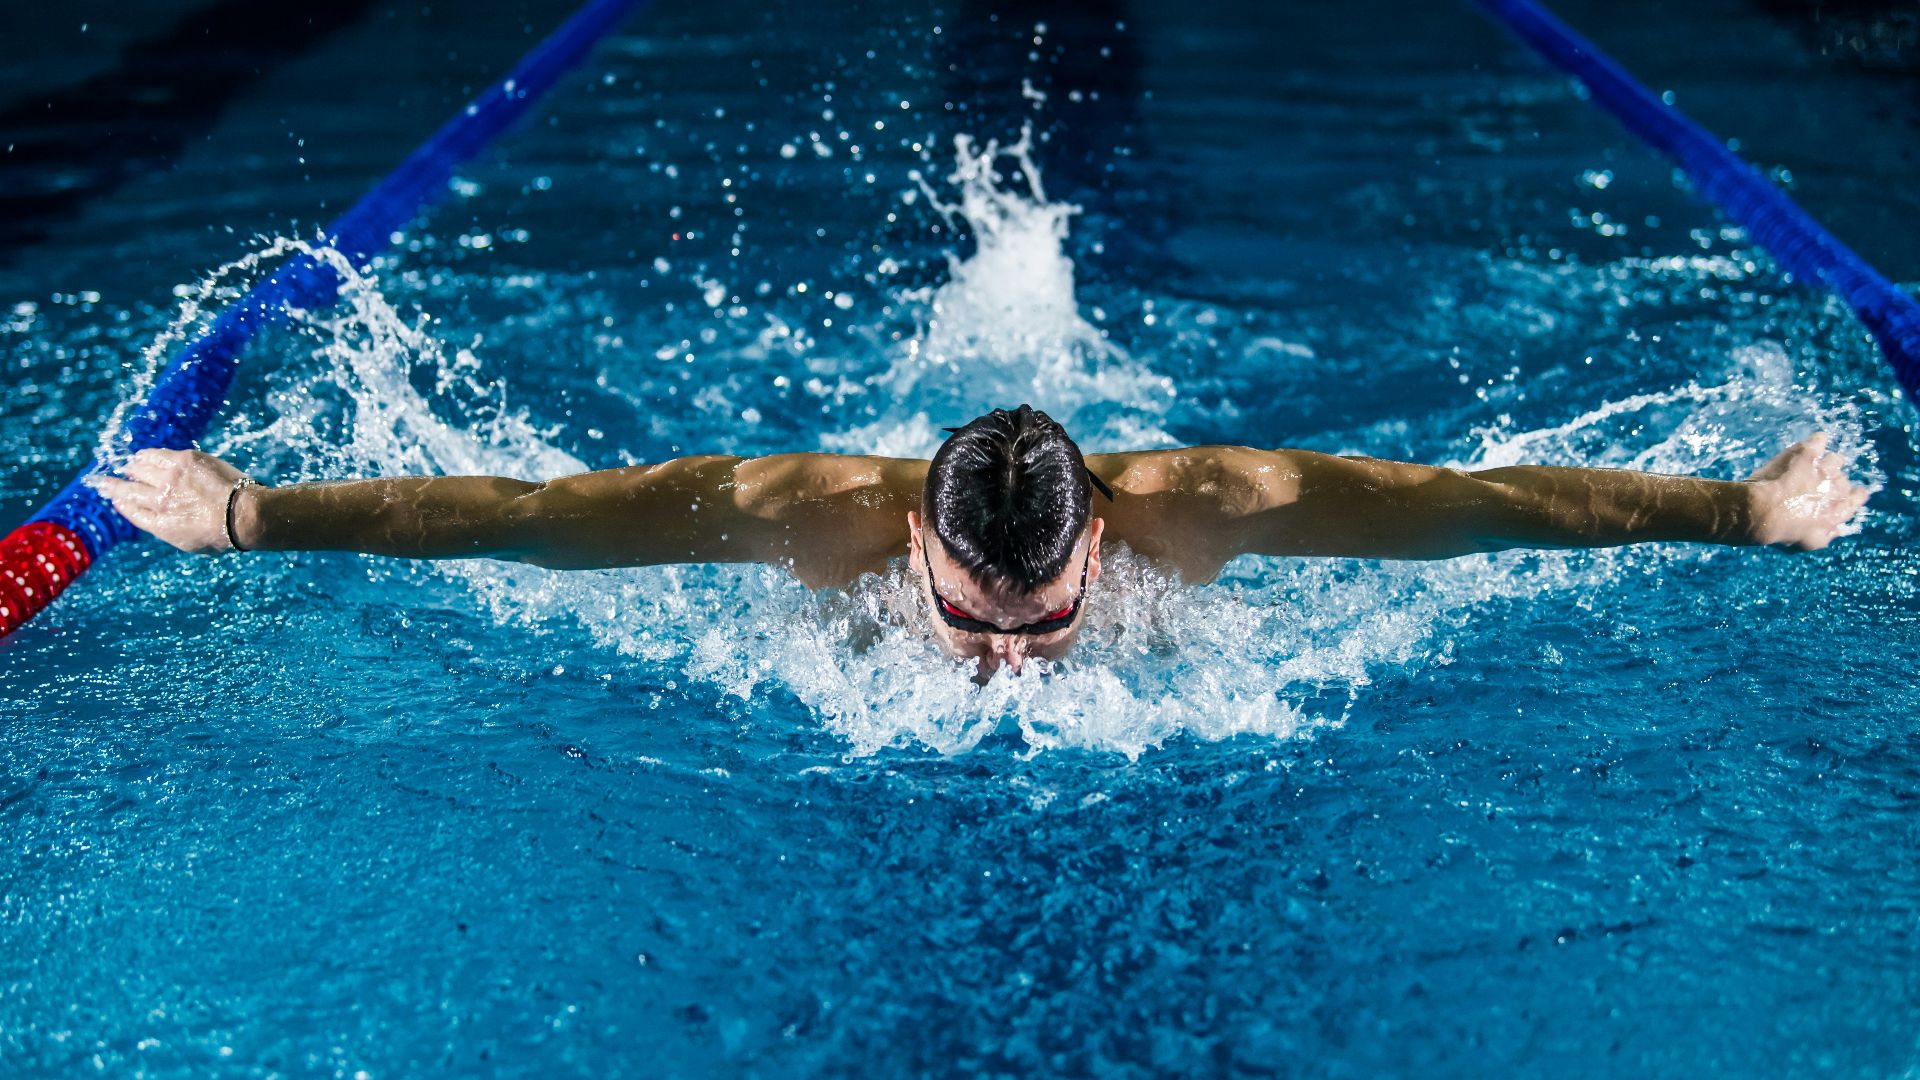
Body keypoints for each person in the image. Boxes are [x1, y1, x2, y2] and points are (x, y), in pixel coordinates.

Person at [92, 404, 1870, 677]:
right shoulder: (804, 522)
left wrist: (1743, 512)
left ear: (1104, 532)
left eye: (1040, 622)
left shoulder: (1219, 506)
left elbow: (1485, 510)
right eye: (969, 616)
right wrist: (250, 515)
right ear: (913, 547)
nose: (1005, 664)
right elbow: (534, 524)